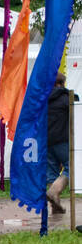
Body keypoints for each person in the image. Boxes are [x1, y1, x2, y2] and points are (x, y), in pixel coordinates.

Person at [45, 71, 78, 214]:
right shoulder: (66, 98)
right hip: (63, 141)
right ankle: (53, 191)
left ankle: (55, 205)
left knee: (51, 172)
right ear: (62, 83)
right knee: (72, 167)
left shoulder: (42, 99)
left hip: (46, 142)